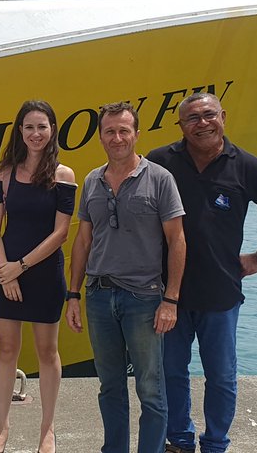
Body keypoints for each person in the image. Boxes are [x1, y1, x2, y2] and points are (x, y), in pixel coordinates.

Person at [147, 93, 257, 453]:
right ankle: (181, 441)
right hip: (169, 294)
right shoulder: (161, 162)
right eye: (192, 118)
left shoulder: (246, 166)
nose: (202, 123)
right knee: (171, 373)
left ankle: (216, 444)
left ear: (223, 117)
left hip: (220, 293)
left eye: (208, 115)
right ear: (181, 126)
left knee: (221, 377)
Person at [65, 101, 186, 453]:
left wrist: (171, 300)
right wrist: (73, 295)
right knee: (110, 385)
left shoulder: (160, 179)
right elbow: (83, 241)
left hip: (144, 298)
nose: (117, 138)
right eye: (110, 131)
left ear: (135, 134)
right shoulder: (91, 180)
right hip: (100, 296)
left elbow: (177, 240)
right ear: (101, 136)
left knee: (150, 387)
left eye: (124, 130)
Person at [0, 101, 77, 453]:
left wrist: (19, 266)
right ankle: (2, 426)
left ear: (52, 129)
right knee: (7, 348)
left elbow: (61, 234)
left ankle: (47, 429)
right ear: (19, 131)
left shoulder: (64, 176)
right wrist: (4, 271)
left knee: (47, 350)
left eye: (42, 126)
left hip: (41, 273)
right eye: (28, 127)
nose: (35, 134)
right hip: (6, 270)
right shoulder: (6, 173)